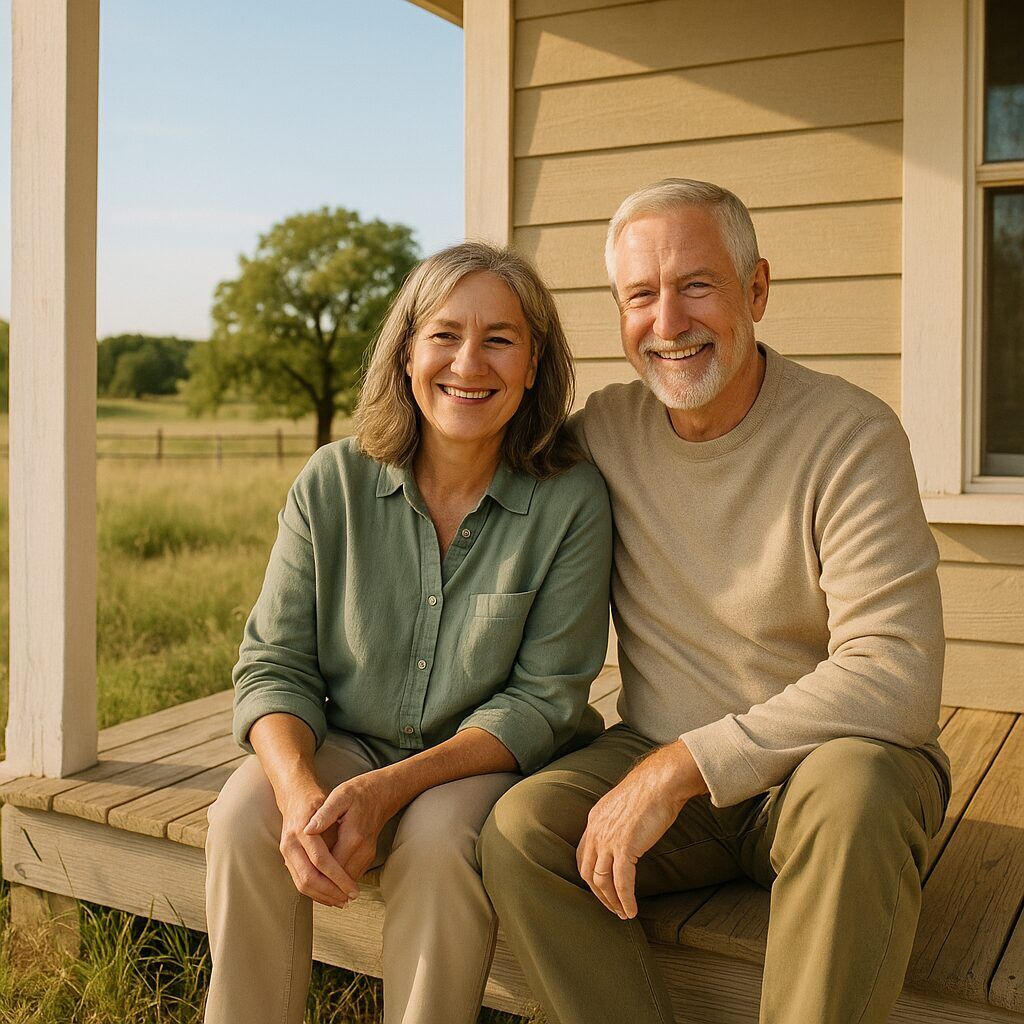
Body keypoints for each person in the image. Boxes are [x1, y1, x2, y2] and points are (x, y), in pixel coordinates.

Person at [480, 179, 951, 1024]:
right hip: (661, 758)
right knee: (521, 834)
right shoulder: (603, 434)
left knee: (858, 792)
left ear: (756, 289)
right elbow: (470, 470)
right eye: (641, 295)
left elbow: (898, 673)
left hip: (828, 769)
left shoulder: (851, 435)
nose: (669, 322)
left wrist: (682, 766)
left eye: (697, 285)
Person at [202, 241, 612, 1024]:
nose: (470, 362)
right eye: (445, 335)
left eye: (500, 339)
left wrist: (390, 787)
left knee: (435, 843)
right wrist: (298, 794)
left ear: (533, 366)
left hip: (478, 761)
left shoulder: (571, 500)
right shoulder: (332, 481)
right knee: (243, 812)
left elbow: (543, 701)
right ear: (407, 353)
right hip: (348, 737)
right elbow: (273, 665)